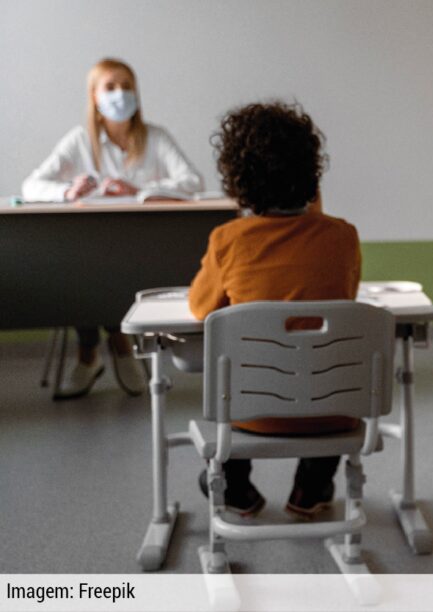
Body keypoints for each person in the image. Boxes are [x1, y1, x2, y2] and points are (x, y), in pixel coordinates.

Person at [189, 101, 361, 518]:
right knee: (321, 368)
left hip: (252, 410)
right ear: (312, 172)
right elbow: (343, 300)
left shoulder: (228, 240)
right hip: (332, 410)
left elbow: (200, 309)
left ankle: (235, 489)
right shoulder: (343, 237)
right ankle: (311, 487)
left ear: (237, 179)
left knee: (239, 375)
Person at [23, 58, 204, 400]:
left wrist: (139, 190)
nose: (120, 93)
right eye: (110, 87)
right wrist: (68, 191)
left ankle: (95, 353)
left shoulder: (155, 138)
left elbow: (193, 182)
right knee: (83, 266)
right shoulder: (80, 140)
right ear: (95, 96)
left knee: (105, 268)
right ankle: (113, 348)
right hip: (89, 251)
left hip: (141, 251)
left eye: (126, 86)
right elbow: (32, 185)